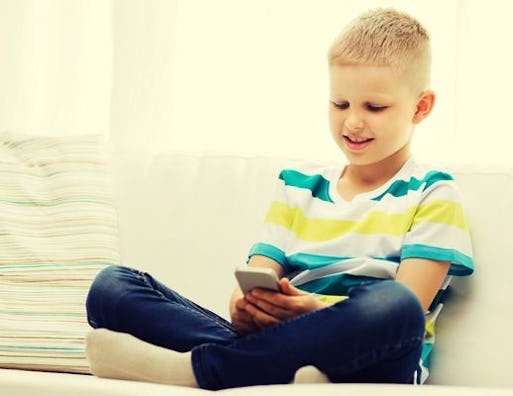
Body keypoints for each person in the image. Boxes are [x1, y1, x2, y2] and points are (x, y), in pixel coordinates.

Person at [84, 8, 474, 390]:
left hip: (374, 358)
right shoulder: (297, 188)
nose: (352, 121)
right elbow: (257, 275)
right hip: (285, 342)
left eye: (374, 107)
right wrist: (246, 307)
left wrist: (313, 311)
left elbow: (413, 303)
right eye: (340, 104)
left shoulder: (434, 194)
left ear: (420, 107)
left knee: (396, 306)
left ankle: (205, 369)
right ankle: (283, 371)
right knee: (111, 287)